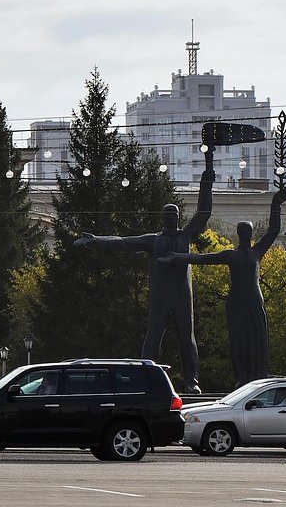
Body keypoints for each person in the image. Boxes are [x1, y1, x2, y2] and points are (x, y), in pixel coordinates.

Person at [74, 147, 215, 393]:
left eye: (174, 214)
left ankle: (192, 381)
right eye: (167, 215)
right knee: (153, 337)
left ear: (178, 217)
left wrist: (207, 178)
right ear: (163, 218)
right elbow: (122, 241)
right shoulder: (154, 239)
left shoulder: (186, 236)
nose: (171, 218)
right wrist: (96, 239)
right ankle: (146, 377)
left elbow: (204, 212)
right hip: (160, 295)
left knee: (187, 337)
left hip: (182, 294)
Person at [160, 185, 286, 387]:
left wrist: (276, 203)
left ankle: (258, 377)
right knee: (238, 341)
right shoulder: (230, 255)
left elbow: (273, 230)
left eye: (248, 230)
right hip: (236, 303)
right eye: (242, 231)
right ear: (239, 234)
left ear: (251, 233)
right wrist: (177, 256)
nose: (245, 233)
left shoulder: (257, 252)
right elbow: (202, 258)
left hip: (255, 302)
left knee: (258, 340)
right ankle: (241, 378)